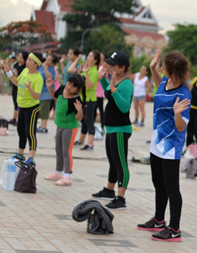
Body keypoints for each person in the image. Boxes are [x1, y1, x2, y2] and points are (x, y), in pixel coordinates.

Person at [136, 50, 191, 242]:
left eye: (162, 66)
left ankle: (174, 228)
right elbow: (160, 86)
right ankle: (159, 219)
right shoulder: (165, 82)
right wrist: (152, 68)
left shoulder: (183, 94)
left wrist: (177, 113)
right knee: (158, 182)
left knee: (171, 187)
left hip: (170, 146)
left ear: (171, 70)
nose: (160, 68)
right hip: (156, 141)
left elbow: (181, 126)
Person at [91, 51, 133, 209]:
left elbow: (124, 107)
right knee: (113, 161)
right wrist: (103, 79)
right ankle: (109, 190)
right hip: (111, 128)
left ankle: (120, 198)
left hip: (121, 129)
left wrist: (114, 89)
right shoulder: (116, 80)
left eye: (113, 65)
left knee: (121, 163)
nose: (109, 67)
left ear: (122, 67)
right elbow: (109, 93)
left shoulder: (126, 84)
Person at [2, 53, 44, 166]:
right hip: (22, 106)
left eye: (31, 61)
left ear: (36, 64)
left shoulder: (38, 78)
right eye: (28, 60)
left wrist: (30, 89)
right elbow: (16, 82)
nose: (27, 62)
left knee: (30, 132)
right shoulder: (25, 71)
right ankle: (20, 154)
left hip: (32, 108)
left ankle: (31, 157)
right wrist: (8, 72)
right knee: (20, 130)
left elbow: (37, 96)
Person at [44, 75, 85, 186]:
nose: (69, 86)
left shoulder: (76, 99)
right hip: (60, 125)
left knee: (66, 151)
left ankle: (67, 176)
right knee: (58, 149)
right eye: (69, 82)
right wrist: (49, 87)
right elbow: (55, 96)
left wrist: (79, 111)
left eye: (73, 86)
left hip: (70, 128)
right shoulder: (62, 89)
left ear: (78, 89)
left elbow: (79, 118)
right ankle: (58, 172)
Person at [76, 50, 100, 150]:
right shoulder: (87, 69)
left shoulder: (94, 71)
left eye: (90, 56)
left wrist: (85, 72)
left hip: (90, 100)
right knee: (83, 120)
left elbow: (90, 86)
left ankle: (90, 144)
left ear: (95, 60)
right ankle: (81, 140)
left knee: (89, 120)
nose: (88, 58)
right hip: (83, 98)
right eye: (88, 56)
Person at [37, 54, 57, 133]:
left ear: (52, 63)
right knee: (39, 109)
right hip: (40, 92)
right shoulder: (41, 67)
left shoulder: (51, 69)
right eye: (47, 59)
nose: (46, 61)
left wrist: (45, 68)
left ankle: (44, 126)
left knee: (44, 110)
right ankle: (41, 125)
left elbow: (50, 78)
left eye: (49, 60)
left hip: (46, 93)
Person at [8, 52, 28, 125]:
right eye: (18, 57)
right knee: (15, 103)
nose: (19, 58)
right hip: (14, 86)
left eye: (21, 57)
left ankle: (19, 119)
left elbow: (22, 78)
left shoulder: (25, 67)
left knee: (19, 104)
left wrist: (16, 75)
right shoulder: (16, 65)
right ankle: (14, 118)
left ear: (25, 59)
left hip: (20, 87)